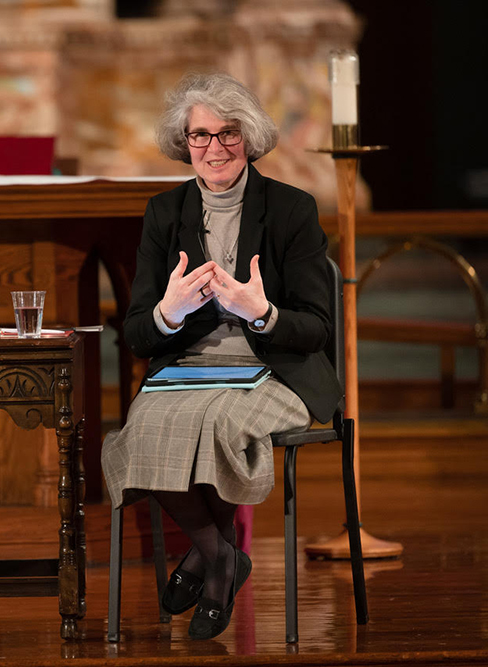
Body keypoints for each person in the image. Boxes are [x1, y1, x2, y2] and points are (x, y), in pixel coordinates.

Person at [101, 73, 340, 640]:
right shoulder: (164, 212)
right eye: (200, 136)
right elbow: (138, 332)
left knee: (219, 423)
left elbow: (318, 327)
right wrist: (170, 312)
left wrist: (261, 312)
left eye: (227, 133)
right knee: (143, 427)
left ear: (249, 137)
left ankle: (209, 565)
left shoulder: (291, 210)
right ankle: (222, 556)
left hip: (273, 369)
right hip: (188, 368)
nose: (213, 148)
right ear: (184, 143)